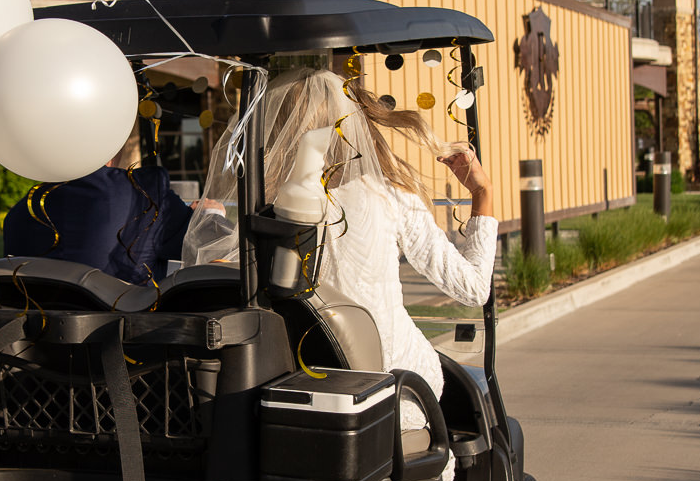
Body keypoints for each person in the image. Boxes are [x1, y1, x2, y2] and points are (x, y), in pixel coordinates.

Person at [182, 67, 497, 415]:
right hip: (396, 384)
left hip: (304, 385)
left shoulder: (269, 208)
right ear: (351, 123)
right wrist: (482, 193)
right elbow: (473, 289)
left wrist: (211, 219)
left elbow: (218, 270)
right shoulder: (389, 198)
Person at [2, 125, 192, 286]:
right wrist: (209, 213)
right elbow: (198, 241)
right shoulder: (145, 194)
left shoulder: (19, 214)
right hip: (128, 326)